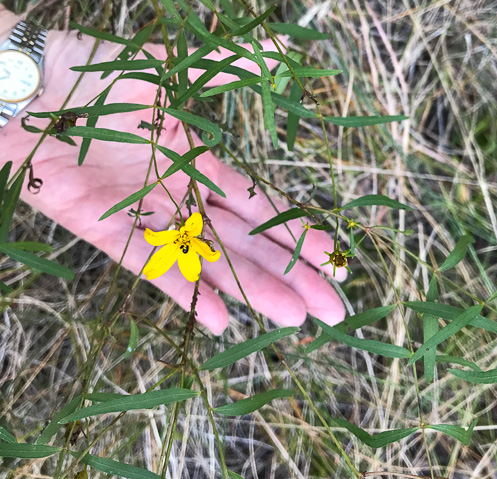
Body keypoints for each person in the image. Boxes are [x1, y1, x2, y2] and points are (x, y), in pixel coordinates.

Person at [0, 6, 346, 334]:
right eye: (185, 240)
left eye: (182, 240)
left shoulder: (184, 234)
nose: (184, 240)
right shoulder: (181, 232)